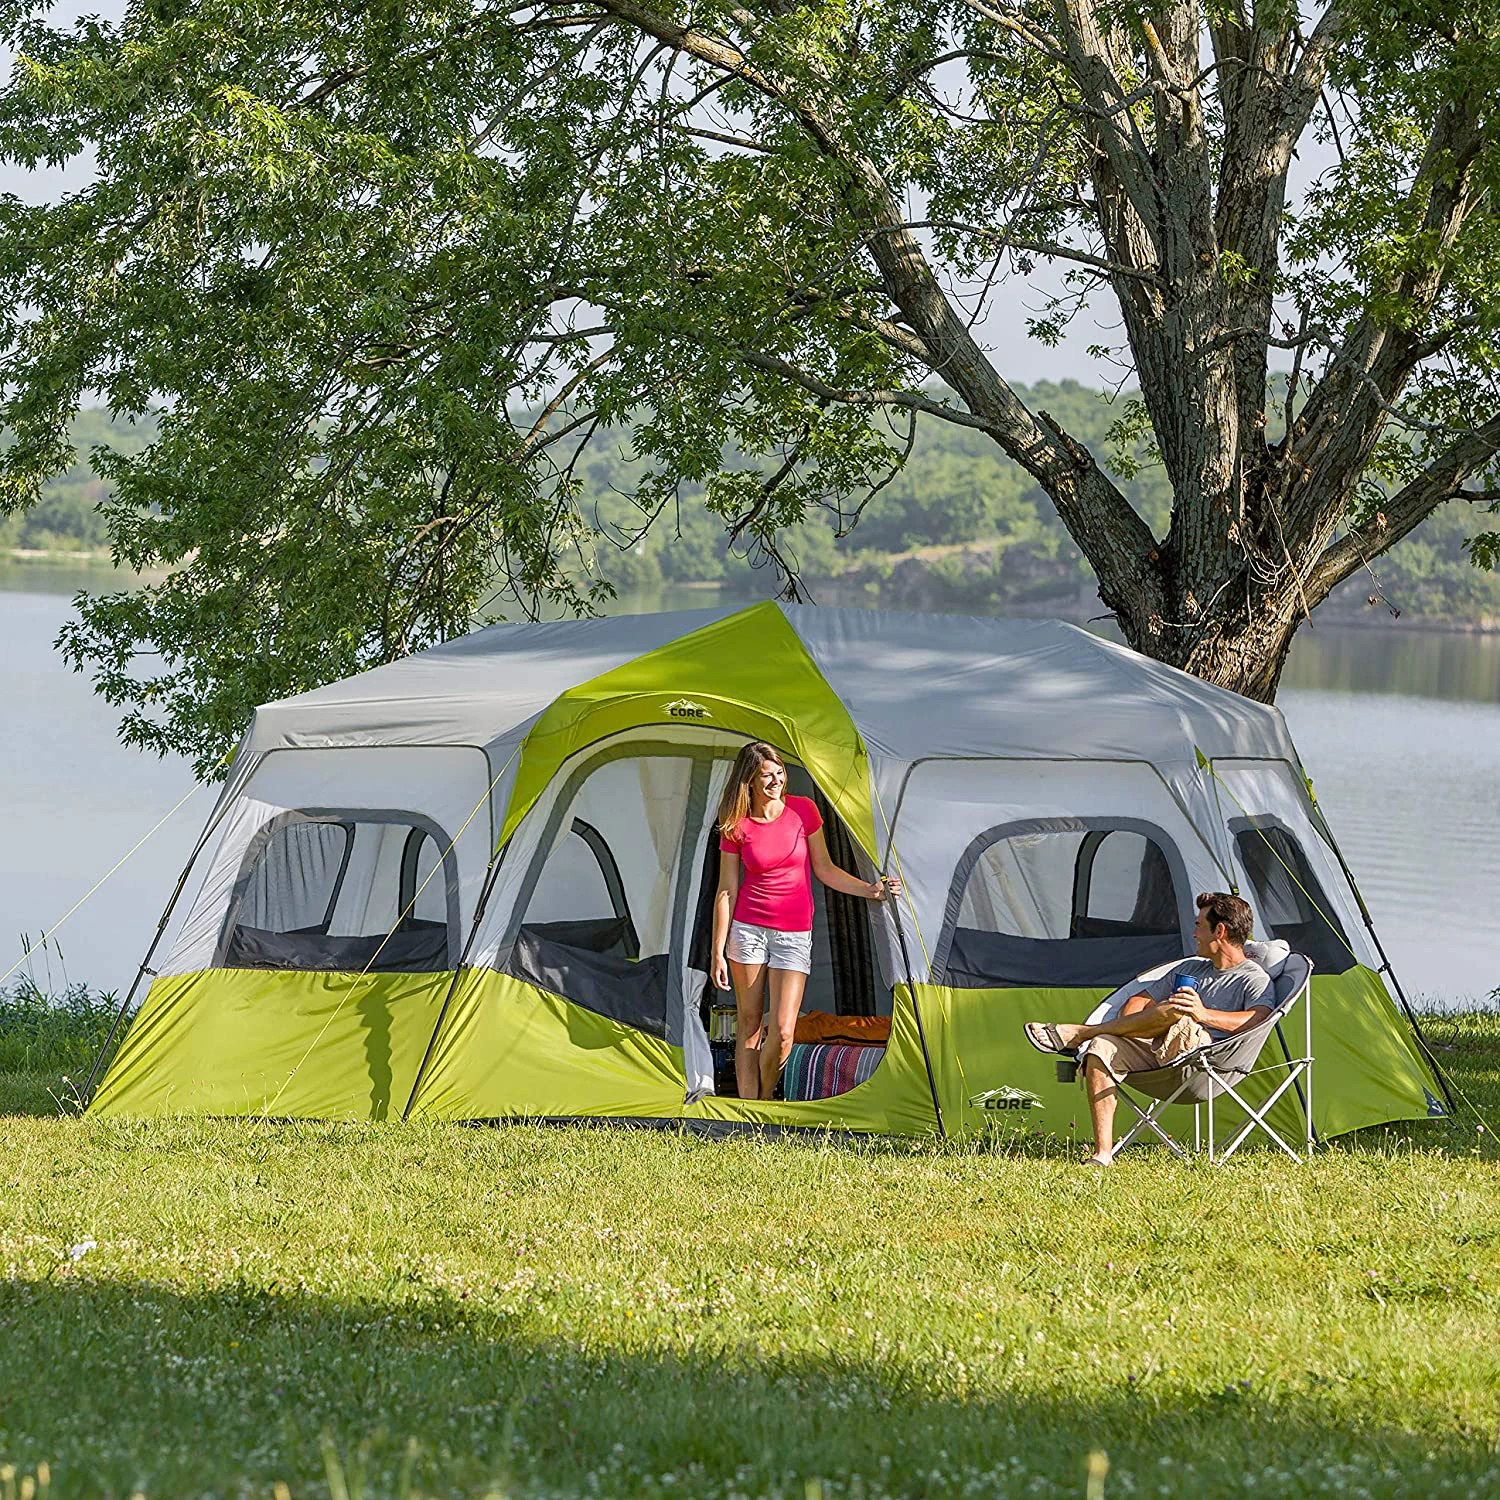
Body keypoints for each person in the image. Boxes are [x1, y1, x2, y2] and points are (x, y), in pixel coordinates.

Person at [1024, 891, 1274, 1166]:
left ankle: (1081, 1033)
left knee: (1178, 1010)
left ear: (1220, 931)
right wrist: (1139, 1025)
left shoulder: (1253, 978)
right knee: (1102, 1047)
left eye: (1199, 925)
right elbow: (1137, 1000)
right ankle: (1103, 1154)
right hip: (1158, 1053)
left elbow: (1258, 1020)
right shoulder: (1192, 968)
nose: (1193, 933)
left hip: (1204, 1065)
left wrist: (1201, 1014)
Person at [710, 741, 899, 1101]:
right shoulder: (737, 824)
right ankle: (752, 1112)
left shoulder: (804, 811)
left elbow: (825, 870)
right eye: (766, 776)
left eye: (779, 773)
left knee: (782, 1031)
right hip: (747, 931)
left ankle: (766, 1098)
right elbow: (726, 891)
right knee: (748, 1025)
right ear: (748, 780)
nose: (776, 781)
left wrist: (870, 890)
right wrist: (717, 951)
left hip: (794, 934)